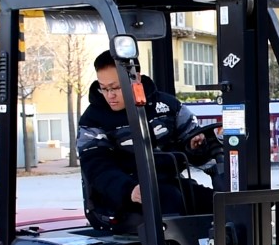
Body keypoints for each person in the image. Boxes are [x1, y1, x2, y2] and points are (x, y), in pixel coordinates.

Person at [77, 50, 220, 230]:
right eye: (103, 88)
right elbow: (96, 167)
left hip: (169, 183)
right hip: (121, 194)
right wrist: (129, 189)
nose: (109, 95)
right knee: (168, 199)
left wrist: (196, 147)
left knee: (218, 203)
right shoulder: (93, 119)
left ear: (136, 78)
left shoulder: (168, 106)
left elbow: (193, 144)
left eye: (116, 87)